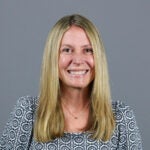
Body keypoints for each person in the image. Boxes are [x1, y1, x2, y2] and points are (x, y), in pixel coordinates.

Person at [0, 14, 142, 149]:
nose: (78, 60)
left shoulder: (121, 117)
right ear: (52, 57)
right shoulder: (28, 112)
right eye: (67, 50)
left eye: (88, 50)